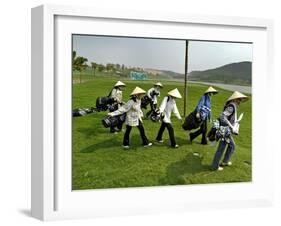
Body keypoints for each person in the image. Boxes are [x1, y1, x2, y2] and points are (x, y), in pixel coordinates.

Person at [211, 91, 248, 171]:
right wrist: (231, 126)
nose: (240, 102)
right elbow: (222, 116)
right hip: (225, 131)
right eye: (239, 100)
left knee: (232, 146)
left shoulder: (232, 105)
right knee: (221, 148)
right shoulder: (231, 107)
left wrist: (234, 124)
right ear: (235, 99)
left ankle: (225, 161)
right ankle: (214, 166)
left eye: (241, 100)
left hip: (226, 130)